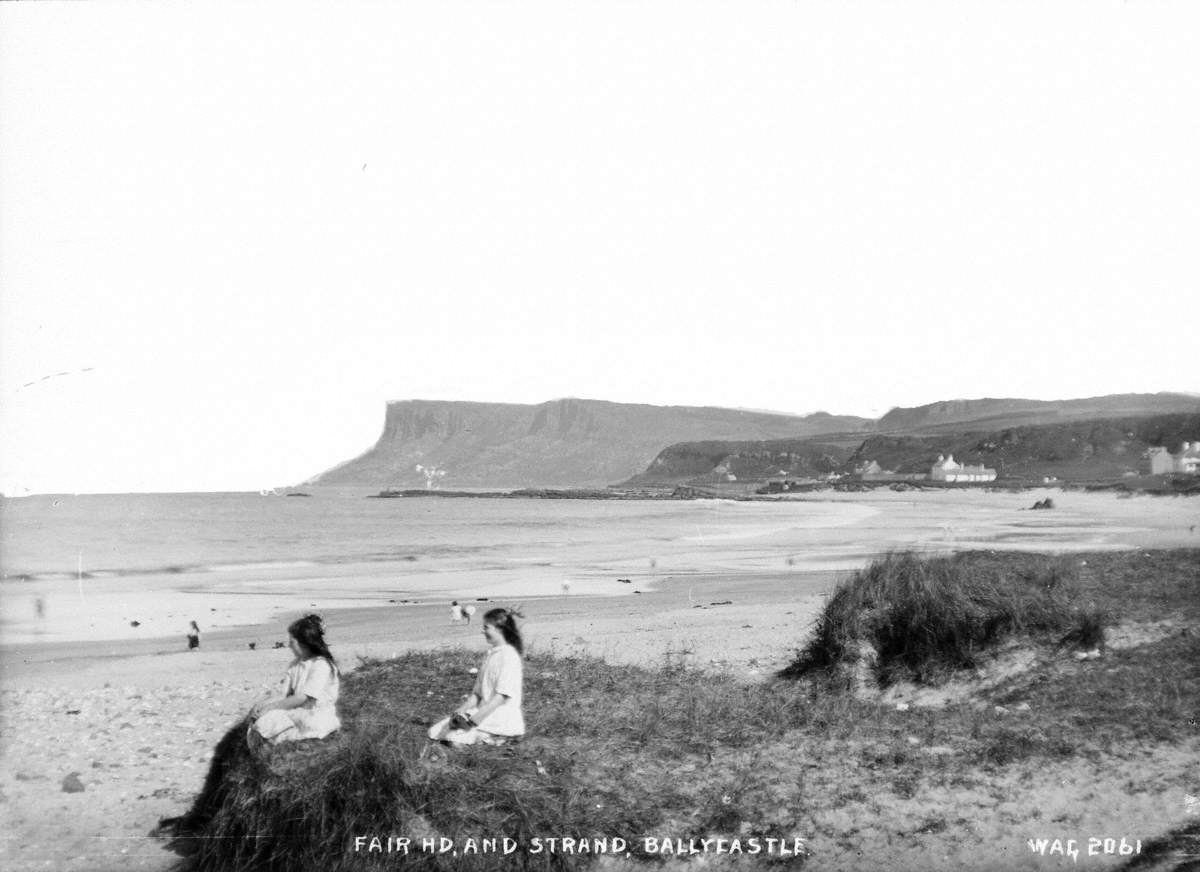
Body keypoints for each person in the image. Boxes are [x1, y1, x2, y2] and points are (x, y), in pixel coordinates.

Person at [428, 607, 524, 746]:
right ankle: (486, 737)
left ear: (500, 630)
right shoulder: (491, 655)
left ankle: (501, 737)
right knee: (437, 730)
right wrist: (462, 710)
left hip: (501, 715)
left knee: (454, 738)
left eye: (486, 627)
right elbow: (477, 694)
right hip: (485, 711)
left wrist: (473, 721)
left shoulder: (509, 656)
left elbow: (501, 697)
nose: (482, 631)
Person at [247, 614, 340, 752]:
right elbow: (283, 694)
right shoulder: (295, 665)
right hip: (297, 710)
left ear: (305, 642)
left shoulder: (321, 665)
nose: (289, 644)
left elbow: (304, 697)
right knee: (260, 724)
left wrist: (272, 707)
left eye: (293, 641)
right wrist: (262, 705)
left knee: (311, 726)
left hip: (316, 713)